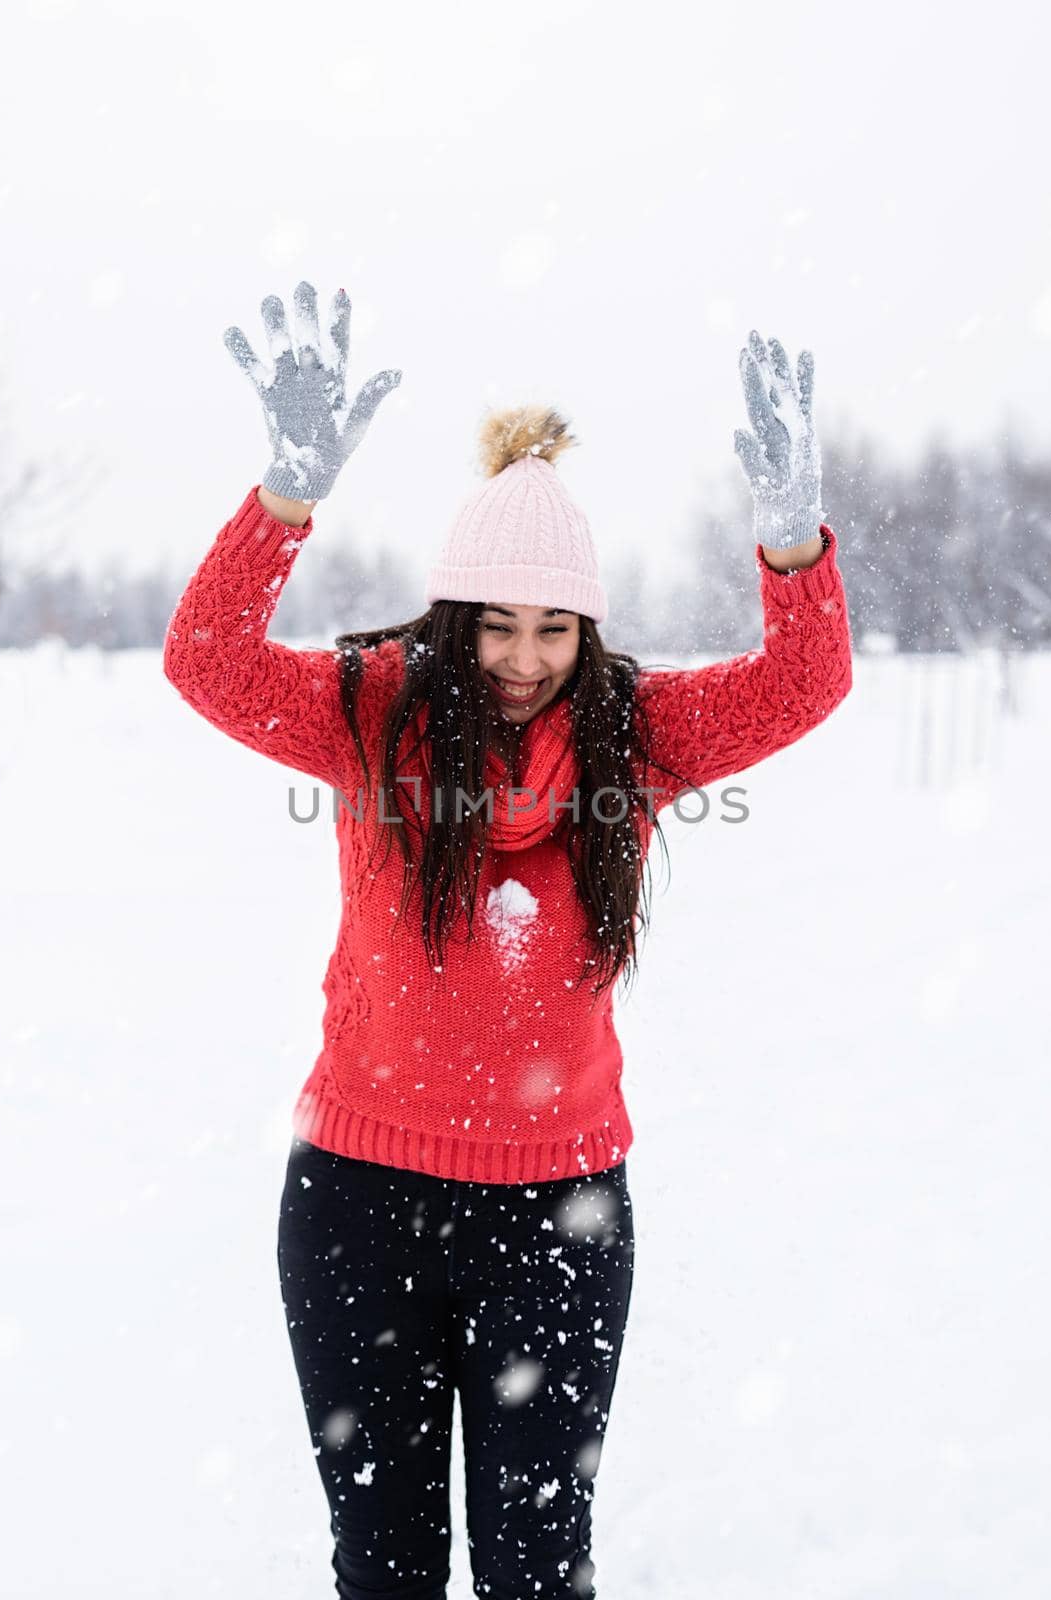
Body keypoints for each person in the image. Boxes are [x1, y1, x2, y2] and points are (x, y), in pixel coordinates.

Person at [162, 281, 853, 1600]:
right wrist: (282, 505)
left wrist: (788, 548)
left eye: (552, 626)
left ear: (584, 626)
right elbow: (205, 658)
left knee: (539, 1569)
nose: (525, 657)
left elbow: (800, 686)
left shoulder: (632, 732)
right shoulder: (366, 711)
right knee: (386, 1565)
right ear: (450, 614)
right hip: (360, 1201)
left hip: (560, 1210)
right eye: (495, 622)